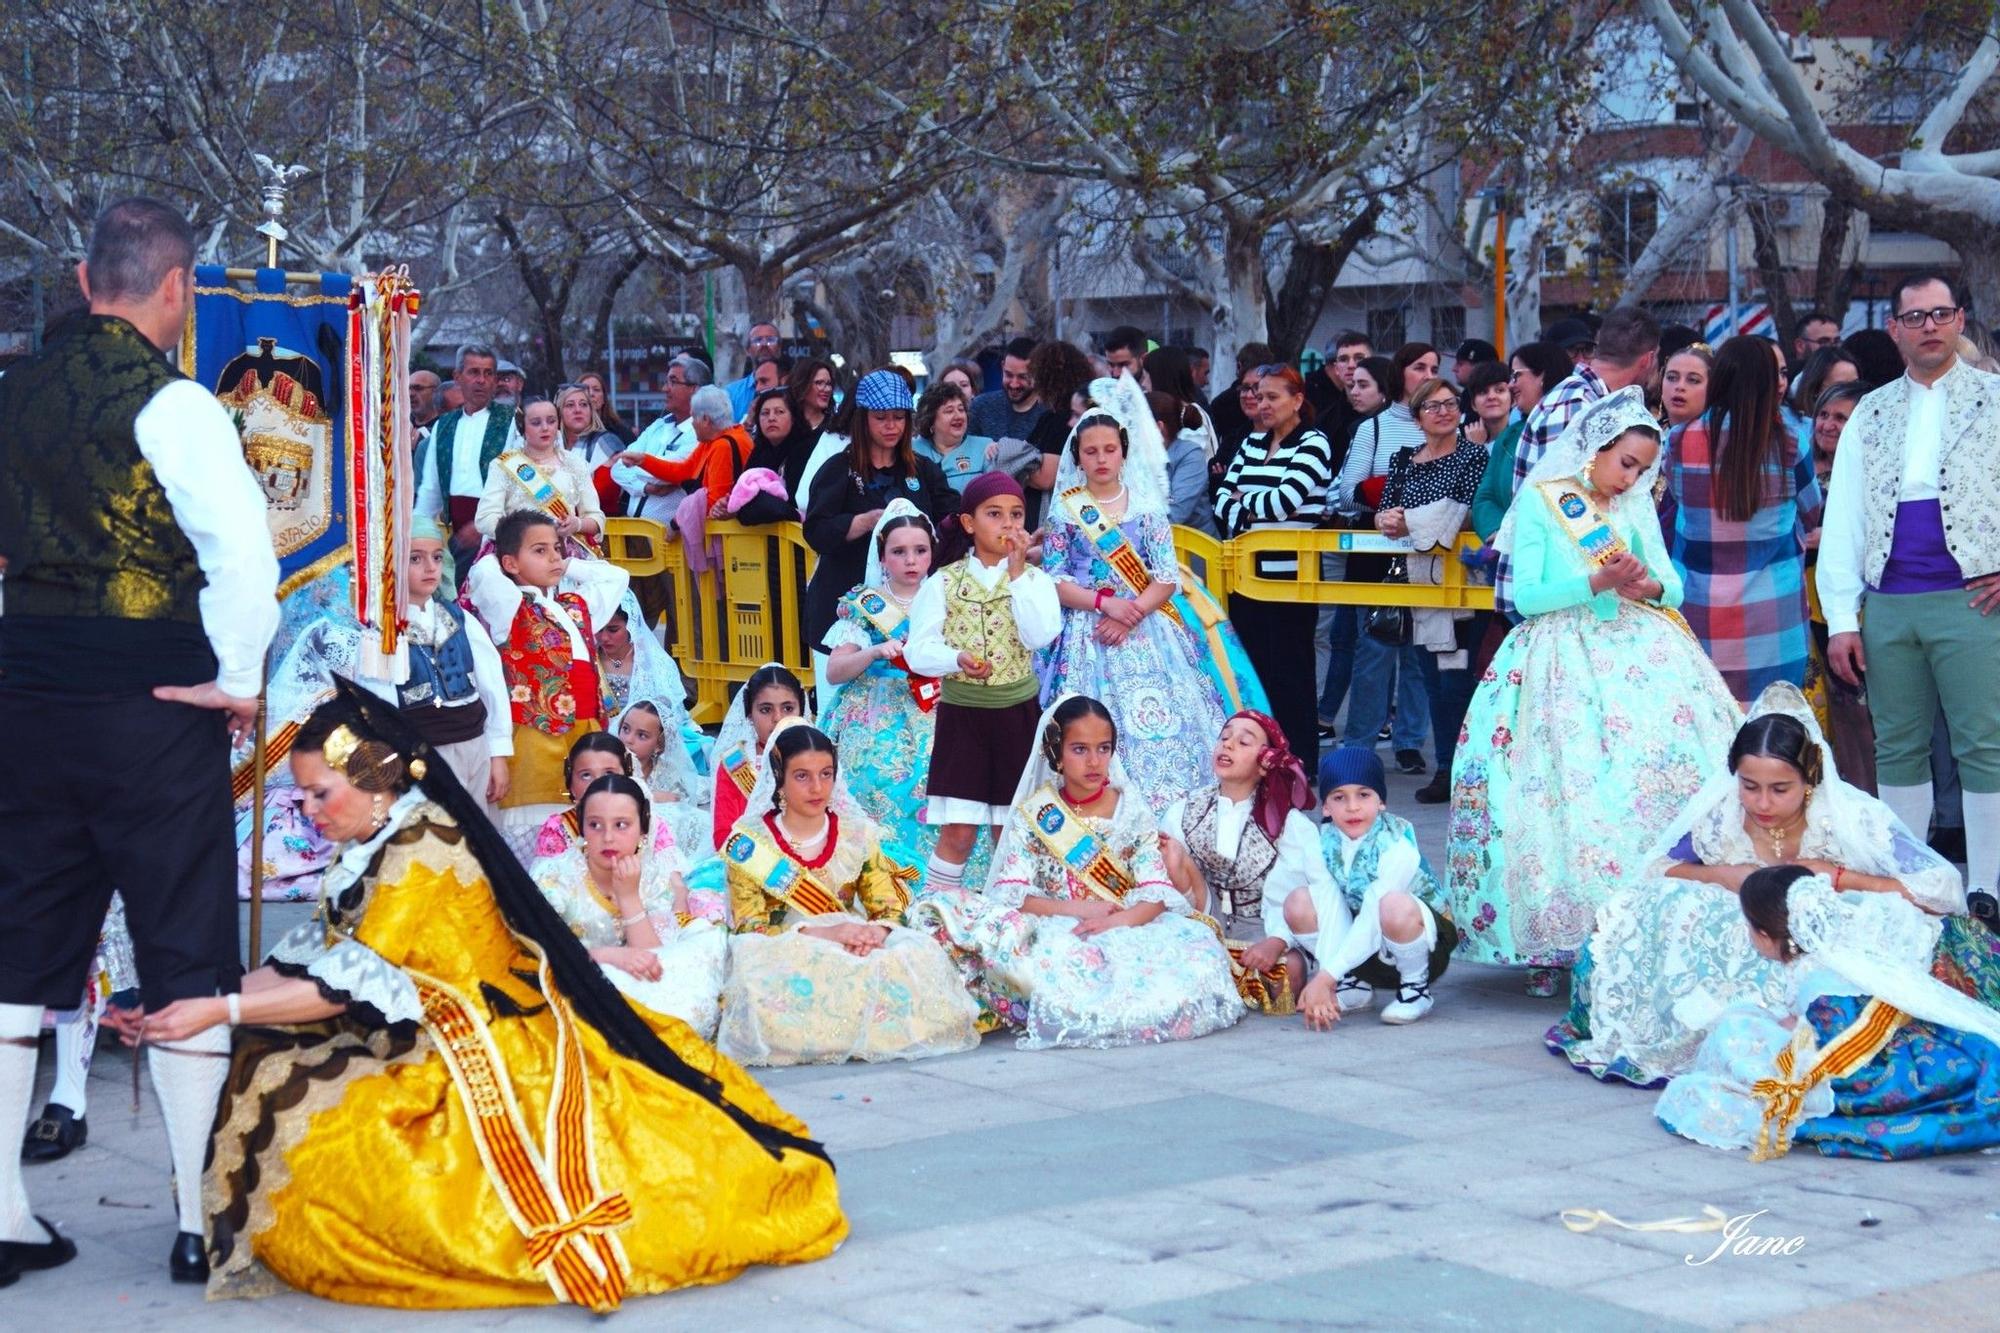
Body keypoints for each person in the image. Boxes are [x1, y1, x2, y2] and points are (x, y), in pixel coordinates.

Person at [185, 682, 844, 1308]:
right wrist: (220, 996)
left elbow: (338, 985)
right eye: (302, 795)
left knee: (333, 1121)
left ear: (373, 780)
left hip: (475, 1027)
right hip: (434, 1013)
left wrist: (217, 1007)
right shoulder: (377, 836)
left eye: (318, 791)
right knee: (275, 1061)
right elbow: (324, 956)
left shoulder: (418, 850)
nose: (307, 808)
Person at [0, 196, 280, 1285]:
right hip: (152, 701)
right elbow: (243, 560)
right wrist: (241, 681)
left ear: (83, 281)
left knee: (19, 939)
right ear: (177, 289)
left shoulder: (11, 395)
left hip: (24, 696)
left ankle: (7, 1212)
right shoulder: (176, 405)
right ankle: (194, 1217)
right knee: (180, 942)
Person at [1448, 387, 1742, 997]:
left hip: (1640, 654)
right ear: (1594, 447)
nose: (1631, 477)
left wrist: (1650, 589)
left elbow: (1673, 582)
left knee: (1642, 786)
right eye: (1624, 463)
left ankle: (1652, 922)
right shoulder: (1540, 503)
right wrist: (1596, 580)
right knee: (1557, 793)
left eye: (1641, 468)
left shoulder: (1634, 506)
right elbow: (1525, 597)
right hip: (1558, 659)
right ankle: (1555, 939)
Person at [1552, 684, 1989, 1088]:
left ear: (1810, 779)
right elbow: (1649, 874)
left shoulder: (1848, 818)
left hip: (1826, 954)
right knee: (1676, 903)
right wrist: (1719, 875)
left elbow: (1940, 888)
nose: (1763, 804)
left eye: (1780, 789)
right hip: (1748, 948)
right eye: (1750, 787)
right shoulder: (1721, 819)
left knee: (1876, 914)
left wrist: (1837, 878)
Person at [1816, 273, 2000, 903]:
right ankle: (1908, 881)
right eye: (1915, 317)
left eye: (1940, 314)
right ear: (1894, 328)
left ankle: (1989, 887)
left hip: (1973, 599)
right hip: (1888, 601)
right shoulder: (1869, 410)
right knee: (1897, 746)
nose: (1929, 326)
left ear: (1959, 321)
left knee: (1984, 744)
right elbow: (1844, 517)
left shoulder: (1996, 398)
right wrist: (1841, 617)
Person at [918, 696, 1245, 1049]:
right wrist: (1079, 910)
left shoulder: (1130, 809)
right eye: (1079, 749)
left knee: (1192, 961)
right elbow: (1012, 894)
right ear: (1056, 753)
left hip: (1127, 922)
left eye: (1103, 749)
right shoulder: (1037, 813)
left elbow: (1157, 892)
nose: (1094, 762)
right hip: (1058, 922)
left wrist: (1114, 923)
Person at [1656, 865, 2000, 1160]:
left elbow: (1838, 1036)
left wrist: (1790, 1038)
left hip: (1870, 1069)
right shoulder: (1834, 955)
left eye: (1749, 926)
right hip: (1890, 1042)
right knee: (1747, 1022)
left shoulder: (1814, 975)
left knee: (1734, 1033)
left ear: (1763, 934)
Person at [718, 720, 980, 1066]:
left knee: (915, 956)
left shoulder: (857, 834)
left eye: (826, 774)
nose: (817, 787)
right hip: (784, 944)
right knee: (757, 972)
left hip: (854, 936)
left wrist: (876, 931)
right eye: (802, 776)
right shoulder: (750, 842)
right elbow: (749, 927)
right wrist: (826, 934)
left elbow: (887, 906)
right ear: (779, 777)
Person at [1041, 375, 1230, 816]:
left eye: (1110, 449)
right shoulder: (1068, 510)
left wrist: (1132, 612)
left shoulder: (1146, 506)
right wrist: (1105, 604)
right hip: (1088, 629)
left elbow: (1166, 577)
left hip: (1149, 626)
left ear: (1124, 450)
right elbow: (1054, 579)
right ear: (1078, 457)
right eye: (1091, 451)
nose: (1102, 458)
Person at [902, 471, 1062, 898]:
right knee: (959, 831)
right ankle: (937, 913)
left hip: (1017, 718)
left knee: (1007, 829)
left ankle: (1007, 914)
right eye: (995, 514)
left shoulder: (1035, 581)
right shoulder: (943, 582)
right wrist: (956, 658)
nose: (1008, 525)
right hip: (964, 720)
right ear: (970, 523)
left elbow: (1040, 635)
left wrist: (1019, 575)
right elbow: (918, 650)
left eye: (1016, 515)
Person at [1661, 335, 1825, 703]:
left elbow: (1676, 494)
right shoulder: (1789, 443)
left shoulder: (1679, 440)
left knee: (1711, 724)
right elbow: (1812, 511)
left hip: (1699, 607)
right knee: (1771, 727)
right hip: (1774, 615)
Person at [464, 511, 629, 847]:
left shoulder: (574, 606)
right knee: (536, 831)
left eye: (557, 548)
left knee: (585, 821)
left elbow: (616, 577)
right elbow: (481, 573)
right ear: (509, 563)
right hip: (535, 735)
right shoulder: (509, 606)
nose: (554, 556)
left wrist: (567, 565)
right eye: (539, 551)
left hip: (586, 731)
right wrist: (502, 558)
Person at [1264, 747, 1457, 1027]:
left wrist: (1324, 977)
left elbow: (1371, 917)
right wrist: (1330, 979)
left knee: (1391, 904)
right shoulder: (1320, 845)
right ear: (1326, 807)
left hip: (1421, 945)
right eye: (1339, 797)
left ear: (1381, 802)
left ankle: (1416, 989)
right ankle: (1352, 986)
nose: (1352, 807)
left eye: (1363, 795)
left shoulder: (1398, 846)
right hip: (1364, 947)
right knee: (1298, 901)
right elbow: (1330, 907)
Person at [530, 773, 727, 1039]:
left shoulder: (653, 877)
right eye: (595, 825)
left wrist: (629, 898)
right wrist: (607, 956)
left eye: (621, 825)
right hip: (573, 982)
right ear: (581, 828)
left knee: (704, 945)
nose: (608, 837)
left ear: (642, 830)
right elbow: (535, 952)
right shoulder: (554, 878)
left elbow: (654, 960)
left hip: (635, 984)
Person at [1497, 307, 1662, 616]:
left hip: (1577, 591)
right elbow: (1566, 501)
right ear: (1647, 359)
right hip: (1554, 598)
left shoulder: (1585, 398)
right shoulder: (1577, 402)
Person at [1371, 378, 1489, 802]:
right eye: (1433, 406)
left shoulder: (1474, 456)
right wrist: (1384, 520)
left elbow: (1454, 515)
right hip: (1417, 584)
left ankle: (1461, 772)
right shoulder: (1403, 457)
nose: (1444, 411)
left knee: (1456, 680)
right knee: (1429, 679)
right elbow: (1388, 507)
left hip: (1460, 587)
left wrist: (1407, 521)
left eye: (1450, 403)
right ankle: (1445, 766)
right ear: (1417, 416)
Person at [819, 502, 956, 864]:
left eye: (920, 550)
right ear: (882, 558)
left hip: (939, 704)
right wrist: (875, 652)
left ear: (932, 553)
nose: (911, 560)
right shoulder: (864, 605)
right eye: (899, 552)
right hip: (876, 709)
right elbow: (834, 671)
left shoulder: (951, 599)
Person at [1214, 365, 1335, 758]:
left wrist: (1243, 506)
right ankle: (1260, 756)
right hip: (1244, 576)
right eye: (1257, 395)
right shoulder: (1250, 442)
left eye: (1272, 397)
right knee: (1253, 673)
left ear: (1297, 400)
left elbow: (1282, 505)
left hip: (1291, 578)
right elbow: (1219, 502)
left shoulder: (1314, 443)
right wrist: (1248, 510)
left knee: (1291, 674)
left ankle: (1299, 759)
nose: (1262, 404)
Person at [801, 370, 961, 660]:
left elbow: (952, 519)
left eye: (899, 418)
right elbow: (815, 531)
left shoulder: (923, 470)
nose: (891, 426)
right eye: (881, 418)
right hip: (843, 611)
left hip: (910, 615)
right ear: (863, 420)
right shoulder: (838, 469)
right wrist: (863, 522)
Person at [358, 517, 512, 816]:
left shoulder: (461, 619)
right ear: (391, 563)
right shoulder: (382, 630)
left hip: (475, 746)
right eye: (416, 559)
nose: (430, 567)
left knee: (477, 835)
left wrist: (498, 753)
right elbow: (379, 704)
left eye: (437, 557)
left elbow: (492, 686)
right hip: (423, 753)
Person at [1160, 712, 1317, 1005]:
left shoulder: (1287, 824)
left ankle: (1227, 978)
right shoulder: (1184, 810)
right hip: (1203, 920)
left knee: (1290, 972)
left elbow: (1296, 895)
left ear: (1265, 762)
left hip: (1261, 927)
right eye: (1224, 737)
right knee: (1171, 852)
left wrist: (1276, 942)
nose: (1228, 745)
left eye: (1244, 742)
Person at [1334, 345, 1438, 775]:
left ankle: (1410, 742)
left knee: (1420, 654)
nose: (1428, 375)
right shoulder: (1372, 428)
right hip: (1377, 558)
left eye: (1435, 369)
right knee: (1373, 651)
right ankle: (1359, 743)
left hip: (1429, 555)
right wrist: (1392, 493)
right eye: (1419, 367)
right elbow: (1345, 493)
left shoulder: (1448, 426)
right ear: (1400, 374)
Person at [414, 342, 525, 572]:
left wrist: (483, 525)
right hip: (459, 535)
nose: (481, 380)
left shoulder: (511, 421)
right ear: (458, 377)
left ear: (495, 380)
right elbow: (431, 489)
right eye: (474, 372)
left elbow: (519, 484)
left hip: (500, 535)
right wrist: (418, 534)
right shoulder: (444, 425)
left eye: (488, 373)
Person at [475, 395, 607, 554]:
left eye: (551, 421)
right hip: (516, 552)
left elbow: (596, 518)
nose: (545, 428)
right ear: (522, 426)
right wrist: (526, 535)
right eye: (536, 423)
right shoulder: (503, 465)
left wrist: (577, 524)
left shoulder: (575, 463)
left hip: (563, 552)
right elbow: (485, 518)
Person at [1469, 342, 1570, 543]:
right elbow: (1484, 498)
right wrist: (1500, 532)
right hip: (1514, 551)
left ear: (1542, 375)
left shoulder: (1574, 427)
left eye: (1516, 375)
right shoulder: (1508, 437)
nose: (1511, 384)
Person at [610, 353, 708, 524]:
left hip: (673, 539)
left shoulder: (701, 431)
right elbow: (617, 468)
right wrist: (646, 488)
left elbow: (670, 472)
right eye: (666, 382)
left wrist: (638, 464)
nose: (665, 389)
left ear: (695, 389)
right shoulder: (658, 425)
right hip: (635, 532)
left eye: (673, 382)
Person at [1021, 340, 1094, 525]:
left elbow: (1046, 477)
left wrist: (1014, 465)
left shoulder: (1061, 420)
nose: (1032, 382)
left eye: (1035, 375)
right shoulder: (1050, 417)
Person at [1150, 389, 1220, 538]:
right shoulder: (1136, 456)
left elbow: (1176, 512)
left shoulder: (1190, 453)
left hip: (1196, 550)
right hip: (1158, 547)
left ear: (1158, 427)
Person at [912, 381, 995, 494]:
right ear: (930, 420)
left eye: (961, 409)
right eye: (949, 411)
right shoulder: (913, 450)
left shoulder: (985, 447)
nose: (958, 416)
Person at [968, 335, 1047, 443]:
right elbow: (963, 453)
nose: (1014, 384)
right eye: (1008, 375)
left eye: (1022, 377)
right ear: (1002, 367)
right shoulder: (981, 407)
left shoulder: (1049, 413)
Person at [1307, 331, 1371, 433]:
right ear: (1336, 368)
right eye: (1343, 359)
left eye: (1359, 358)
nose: (1351, 365)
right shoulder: (1325, 422)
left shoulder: (1390, 414)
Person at [723, 321, 784, 419]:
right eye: (757, 340)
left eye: (770, 340)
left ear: (780, 348)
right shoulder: (731, 394)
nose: (764, 345)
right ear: (747, 350)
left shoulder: (795, 389)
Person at [1459, 360, 1512, 446]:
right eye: (1483, 392)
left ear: (1512, 399)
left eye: (1500, 390)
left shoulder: (1524, 436)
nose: (1491, 397)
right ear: (1473, 404)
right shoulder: (1460, 441)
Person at [1660, 342, 1713, 429]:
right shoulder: (1643, 435)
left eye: (1693, 380)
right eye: (1672, 378)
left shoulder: (1723, 439)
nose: (1680, 386)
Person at [578, 370, 637, 445]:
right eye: (585, 389)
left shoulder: (622, 433)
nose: (591, 393)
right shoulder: (569, 432)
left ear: (604, 399)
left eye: (596, 390)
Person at [408, 368, 441, 433]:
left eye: (418, 388)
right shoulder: (400, 425)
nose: (410, 394)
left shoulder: (445, 427)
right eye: (408, 388)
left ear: (436, 391)